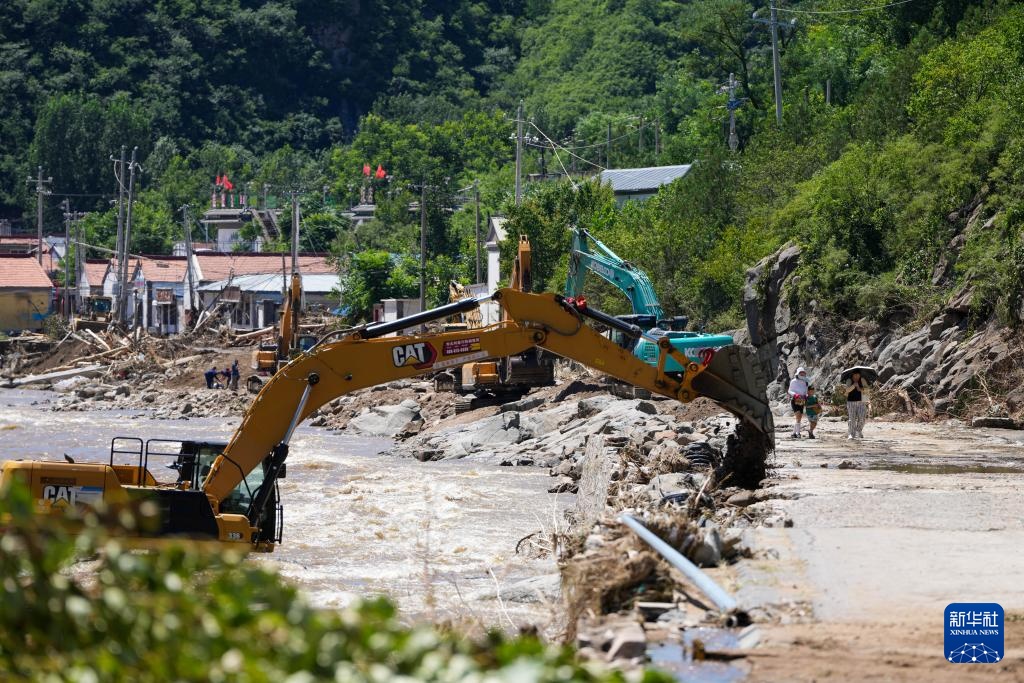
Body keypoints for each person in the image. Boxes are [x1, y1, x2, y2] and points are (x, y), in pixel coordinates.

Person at [844, 370, 869, 439]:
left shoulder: (862, 380)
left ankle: (858, 430)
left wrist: (859, 388)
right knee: (852, 419)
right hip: (851, 402)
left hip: (861, 402)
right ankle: (851, 434)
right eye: (855, 375)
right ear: (852, 375)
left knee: (862, 418)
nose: (857, 377)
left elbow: (867, 389)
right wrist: (853, 386)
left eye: (858, 375)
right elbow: (847, 390)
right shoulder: (849, 380)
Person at [787, 366, 809, 438]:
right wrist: (795, 395)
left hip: (802, 400)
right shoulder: (793, 381)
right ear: (798, 373)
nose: (802, 374)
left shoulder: (805, 382)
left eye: (803, 373)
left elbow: (806, 391)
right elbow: (789, 391)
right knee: (798, 415)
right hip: (795, 400)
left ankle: (794, 433)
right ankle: (798, 433)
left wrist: (806, 395)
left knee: (799, 417)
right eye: (801, 373)